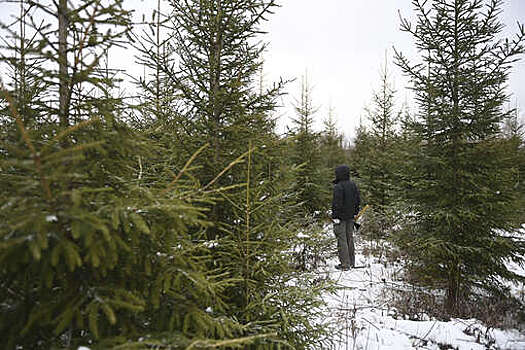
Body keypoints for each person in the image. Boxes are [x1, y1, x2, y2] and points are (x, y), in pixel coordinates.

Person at [332, 165, 360, 271]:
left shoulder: (338, 187)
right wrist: (355, 213)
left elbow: (336, 203)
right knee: (350, 238)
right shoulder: (353, 185)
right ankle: (351, 262)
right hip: (351, 217)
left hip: (341, 218)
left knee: (342, 239)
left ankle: (345, 264)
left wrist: (335, 216)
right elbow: (358, 200)